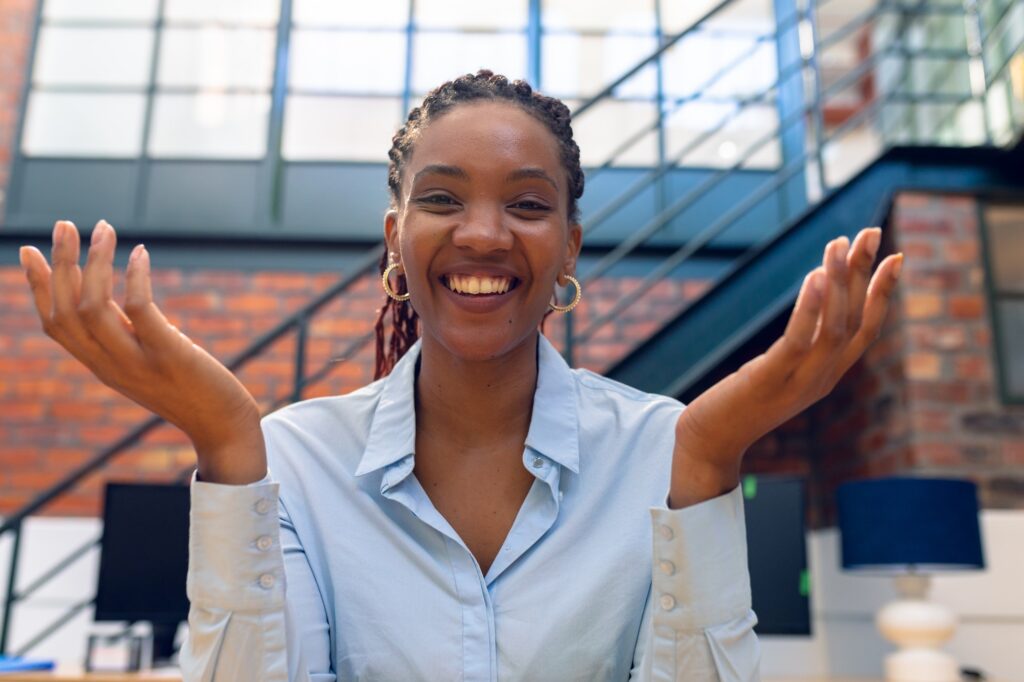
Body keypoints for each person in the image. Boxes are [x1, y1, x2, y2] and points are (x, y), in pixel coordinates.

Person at [18, 70, 902, 681]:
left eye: (526, 203)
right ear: (395, 240)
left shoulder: (664, 449)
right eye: (442, 198)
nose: (483, 233)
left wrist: (708, 460)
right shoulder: (291, 460)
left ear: (568, 251)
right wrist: (223, 440)